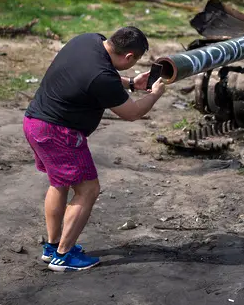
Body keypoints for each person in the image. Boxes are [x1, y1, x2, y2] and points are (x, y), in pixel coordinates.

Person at [23, 27, 166, 272]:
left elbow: (97, 76)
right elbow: (132, 113)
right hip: (59, 132)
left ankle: (53, 247)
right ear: (129, 57)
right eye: (135, 62)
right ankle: (63, 256)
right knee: (88, 189)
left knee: (59, 183)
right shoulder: (103, 77)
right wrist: (155, 95)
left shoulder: (88, 40)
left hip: (35, 121)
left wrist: (131, 83)